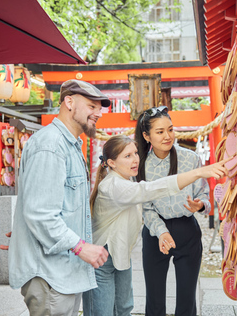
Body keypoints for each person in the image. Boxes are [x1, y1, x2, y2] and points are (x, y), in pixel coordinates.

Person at [82, 135, 229, 316]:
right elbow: (151, 190)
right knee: (103, 312)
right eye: (127, 156)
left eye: (135, 153)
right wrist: (197, 172)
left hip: (120, 253)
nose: (135, 159)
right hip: (103, 258)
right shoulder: (113, 186)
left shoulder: (128, 180)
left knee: (124, 308)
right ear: (111, 163)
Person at [9, 79, 111, 316]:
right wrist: (81, 247)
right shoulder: (51, 145)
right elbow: (40, 214)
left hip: (63, 272)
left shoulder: (71, 144)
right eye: (91, 106)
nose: (98, 113)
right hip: (50, 274)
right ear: (69, 102)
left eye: (99, 108)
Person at [135, 106, 211, 316]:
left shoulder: (190, 159)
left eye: (170, 129)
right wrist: (161, 232)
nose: (168, 136)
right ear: (146, 136)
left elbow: (205, 195)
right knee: (154, 299)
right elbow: (146, 208)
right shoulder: (140, 164)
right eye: (160, 132)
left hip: (187, 231)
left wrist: (201, 205)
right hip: (155, 233)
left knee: (187, 300)